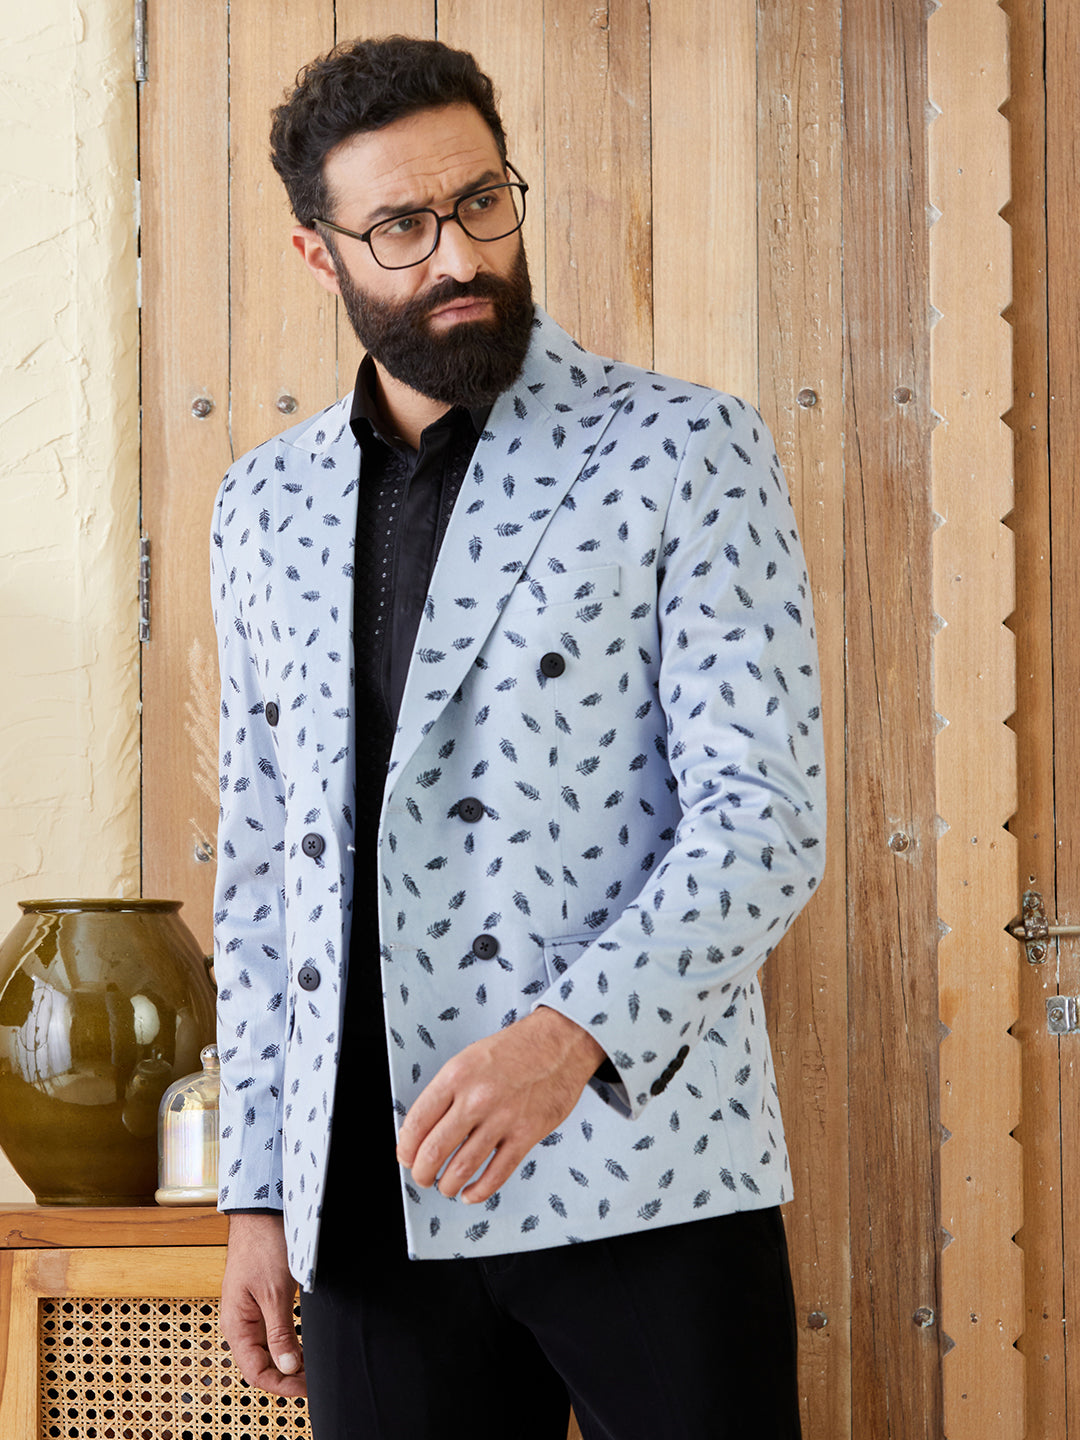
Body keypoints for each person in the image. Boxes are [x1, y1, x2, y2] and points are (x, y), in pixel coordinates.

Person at [212, 34, 825, 1440]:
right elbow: (259, 874)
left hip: (644, 1171)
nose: (459, 257)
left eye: (483, 202)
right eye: (402, 226)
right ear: (319, 255)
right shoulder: (261, 506)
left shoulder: (684, 449)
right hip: (369, 1199)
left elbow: (764, 819)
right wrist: (257, 1194)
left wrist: (567, 1041)